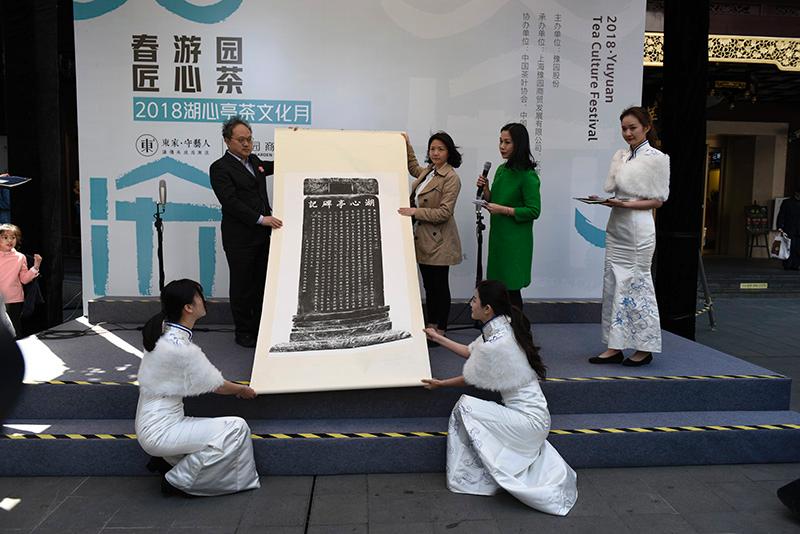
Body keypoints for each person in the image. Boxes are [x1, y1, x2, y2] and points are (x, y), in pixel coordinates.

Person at [422, 280, 577, 516]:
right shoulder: (502, 326)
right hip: (534, 419)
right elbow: (471, 352)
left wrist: (441, 384)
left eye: (474, 300)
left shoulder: (498, 342)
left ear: (487, 309)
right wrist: (437, 338)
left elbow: (470, 377)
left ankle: (471, 476)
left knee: (465, 406)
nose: (470, 304)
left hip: (529, 422)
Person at [135, 278, 260, 496]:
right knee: (236, 428)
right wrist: (242, 390)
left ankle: (170, 462)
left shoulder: (163, 334)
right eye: (200, 297)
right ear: (188, 308)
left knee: (214, 438)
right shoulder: (178, 346)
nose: (205, 300)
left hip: (153, 423)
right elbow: (218, 386)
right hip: (160, 430)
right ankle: (177, 480)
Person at [589, 106, 669, 367]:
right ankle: (614, 346)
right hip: (618, 225)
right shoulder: (622, 156)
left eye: (633, 128)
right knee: (613, 283)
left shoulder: (657, 157)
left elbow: (657, 201)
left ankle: (644, 348)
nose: (627, 133)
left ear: (646, 127)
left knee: (637, 284)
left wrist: (625, 204)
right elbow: (620, 194)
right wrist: (607, 201)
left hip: (638, 228)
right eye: (624, 128)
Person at [210, 116, 283, 348]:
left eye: (249, 139)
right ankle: (243, 332)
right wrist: (261, 219)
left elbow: (280, 164)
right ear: (227, 140)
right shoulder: (220, 168)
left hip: (263, 237)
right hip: (239, 239)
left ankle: (259, 328)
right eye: (240, 140)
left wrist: (293, 142)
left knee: (262, 284)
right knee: (242, 287)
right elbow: (230, 202)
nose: (246, 144)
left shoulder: (255, 161)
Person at [398, 132, 462, 338]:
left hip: (440, 241)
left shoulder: (451, 178)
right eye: (432, 149)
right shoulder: (429, 171)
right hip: (424, 239)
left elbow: (444, 213)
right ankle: (431, 326)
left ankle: (440, 329)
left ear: (449, 152)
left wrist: (415, 212)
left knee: (439, 287)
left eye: (440, 149)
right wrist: (407, 145)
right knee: (429, 286)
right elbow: (413, 168)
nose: (435, 153)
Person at [477, 123, 541, 311]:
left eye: (507, 142)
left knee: (512, 290)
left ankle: (518, 328)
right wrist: (486, 189)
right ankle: (502, 327)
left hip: (515, 243)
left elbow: (534, 210)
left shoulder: (528, 175)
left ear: (519, 144)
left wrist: (504, 210)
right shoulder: (501, 170)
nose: (502, 146)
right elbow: (494, 201)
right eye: (500, 141)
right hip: (498, 239)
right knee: (498, 289)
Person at [0, 223, 42, 337]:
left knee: (15, 330)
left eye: (13, 237)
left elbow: (24, 279)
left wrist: (36, 267)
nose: (10, 240)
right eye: (5, 237)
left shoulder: (20, 257)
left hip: (14, 299)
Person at [777, 189, 800, 270]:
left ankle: (796, 265)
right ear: (796, 193)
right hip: (789, 228)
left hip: (798, 229)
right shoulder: (787, 202)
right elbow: (781, 215)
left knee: (798, 248)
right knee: (788, 247)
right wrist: (780, 226)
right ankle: (787, 264)